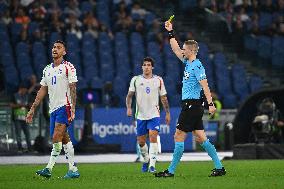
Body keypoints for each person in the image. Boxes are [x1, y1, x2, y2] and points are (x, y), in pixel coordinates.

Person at [155, 21, 226, 177]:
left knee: (178, 135)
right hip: (192, 105)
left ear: (192, 50)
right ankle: (219, 167)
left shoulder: (197, 66)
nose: (182, 50)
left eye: (185, 49)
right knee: (201, 137)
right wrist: (171, 32)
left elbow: (205, 86)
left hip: (192, 105)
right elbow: (174, 49)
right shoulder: (188, 62)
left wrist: (211, 103)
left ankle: (170, 171)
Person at [26, 40, 80, 179]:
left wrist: (73, 107)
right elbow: (43, 90)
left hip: (65, 106)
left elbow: (73, 88)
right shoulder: (47, 69)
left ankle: (48, 169)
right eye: (54, 47)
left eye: (59, 47)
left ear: (64, 52)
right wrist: (32, 108)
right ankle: (73, 169)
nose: (55, 49)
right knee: (63, 138)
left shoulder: (69, 67)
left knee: (56, 137)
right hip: (53, 108)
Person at [126, 57, 171, 173]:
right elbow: (129, 95)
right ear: (142, 67)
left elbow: (164, 98)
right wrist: (128, 108)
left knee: (153, 137)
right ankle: (146, 160)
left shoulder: (158, 80)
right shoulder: (135, 80)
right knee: (141, 142)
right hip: (140, 115)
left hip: (154, 114)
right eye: (144, 65)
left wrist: (167, 113)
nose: (146, 67)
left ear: (152, 67)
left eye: (149, 65)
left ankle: (152, 165)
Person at [10, 83, 32, 152]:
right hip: (17, 118)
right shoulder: (14, 96)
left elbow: (30, 105)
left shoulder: (27, 96)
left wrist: (29, 105)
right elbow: (11, 105)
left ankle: (30, 148)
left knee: (28, 134)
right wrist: (19, 105)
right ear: (21, 89)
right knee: (18, 135)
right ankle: (20, 148)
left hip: (25, 118)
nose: (25, 91)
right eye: (24, 90)